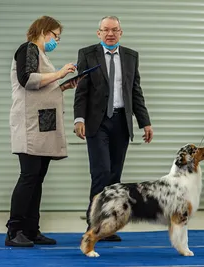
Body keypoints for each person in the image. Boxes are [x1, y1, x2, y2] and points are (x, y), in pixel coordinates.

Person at [73, 16, 153, 241]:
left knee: (115, 177)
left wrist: (144, 121)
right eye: (105, 30)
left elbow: (135, 91)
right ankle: (93, 227)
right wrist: (79, 118)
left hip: (121, 122)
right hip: (96, 123)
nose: (110, 33)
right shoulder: (87, 54)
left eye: (114, 30)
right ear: (98, 33)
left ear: (121, 32)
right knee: (101, 173)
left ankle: (107, 227)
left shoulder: (130, 56)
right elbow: (82, 91)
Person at [7, 15, 81, 247]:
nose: (56, 41)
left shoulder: (42, 55)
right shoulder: (27, 49)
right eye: (55, 36)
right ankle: (14, 230)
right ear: (43, 31)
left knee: (37, 179)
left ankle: (31, 229)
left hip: (43, 125)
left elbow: (43, 87)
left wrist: (63, 86)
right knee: (28, 178)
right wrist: (60, 74)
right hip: (29, 125)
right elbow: (27, 79)